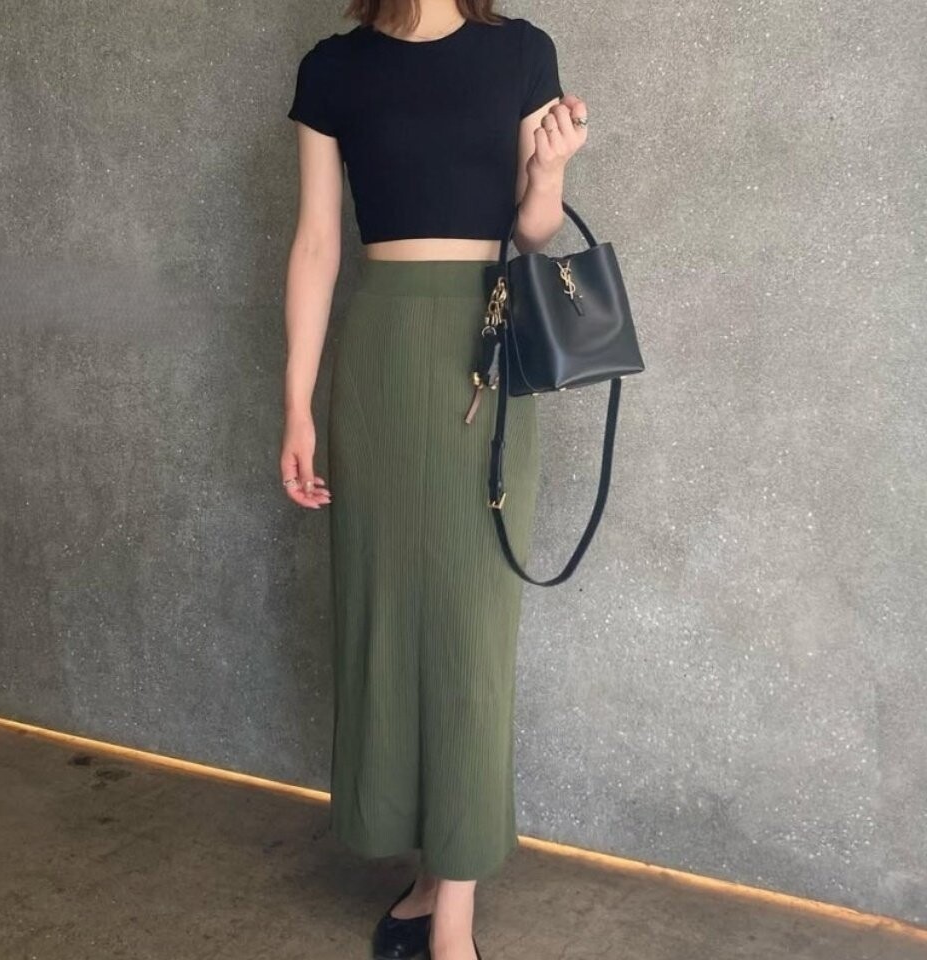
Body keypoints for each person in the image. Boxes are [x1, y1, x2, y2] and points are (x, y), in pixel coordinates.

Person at [281, 2, 587, 958]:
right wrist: (296, 404)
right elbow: (318, 242)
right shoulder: (332, 68)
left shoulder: (520, 52)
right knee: (386, 616)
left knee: (469, 629)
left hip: (483, 356)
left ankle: (453, 917)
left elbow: (532, 233)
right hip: (379, 357)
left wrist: (550, 173)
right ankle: (425, 873)